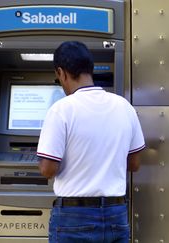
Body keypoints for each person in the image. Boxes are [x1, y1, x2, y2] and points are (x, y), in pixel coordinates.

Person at [37, 41, 145, 243]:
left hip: (74, 217)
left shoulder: (61, 110)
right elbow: (134, 164)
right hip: (116, 214)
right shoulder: (124, 107)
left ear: (62, 73)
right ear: (90, 69)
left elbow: (48, 169)